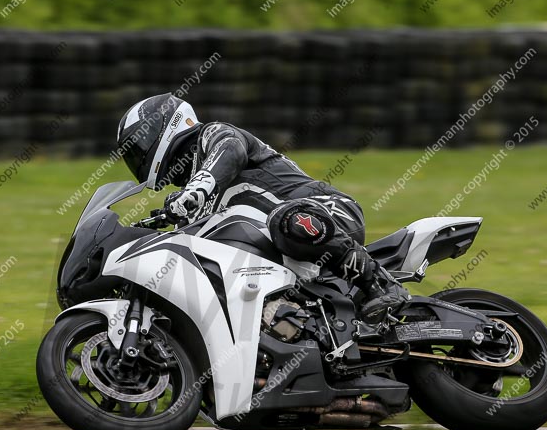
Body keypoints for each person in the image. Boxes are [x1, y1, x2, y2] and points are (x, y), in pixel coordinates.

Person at [116, 93, 409, 323]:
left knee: (286, 220)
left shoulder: (213, 136)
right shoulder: (192, 206)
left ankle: (381, 284)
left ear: (162, 127)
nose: (138, 158)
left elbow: (231, 150)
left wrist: (197, 188)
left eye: (138, 148)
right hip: (289, 259)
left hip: (327, 212)